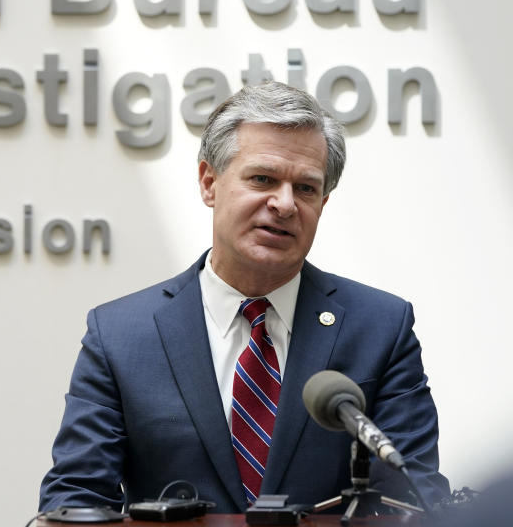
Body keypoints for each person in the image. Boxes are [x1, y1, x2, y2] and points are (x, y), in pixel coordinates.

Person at [38, 82, 449, 514]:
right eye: (263, 179)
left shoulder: (381, 327)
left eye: (306, 189)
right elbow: (76, 499)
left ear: (324, 203)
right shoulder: (121, 335)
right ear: (209, 182)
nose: (285, 204)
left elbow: (414, 496)